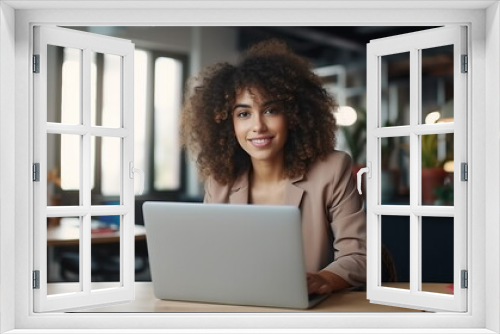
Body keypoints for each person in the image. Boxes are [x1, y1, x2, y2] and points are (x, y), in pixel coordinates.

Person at [180, 39, 366, 294]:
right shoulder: (220, 182)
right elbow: (212, 258)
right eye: (244, 114)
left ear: (293, 115)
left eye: (270, 110)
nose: (258, 126)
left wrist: (324, 280)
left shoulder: (332, 169)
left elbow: (359, 256)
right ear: (228, 125)